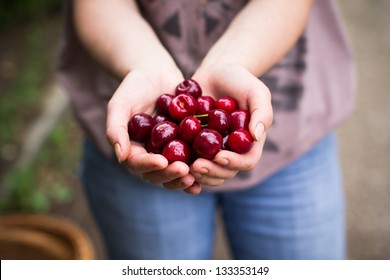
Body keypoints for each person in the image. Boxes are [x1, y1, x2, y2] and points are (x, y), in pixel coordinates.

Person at [57, 0, 355, 259]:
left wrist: (234, 62)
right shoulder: (174, 117)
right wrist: (143, 64)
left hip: (291, 140)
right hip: (134, 159)